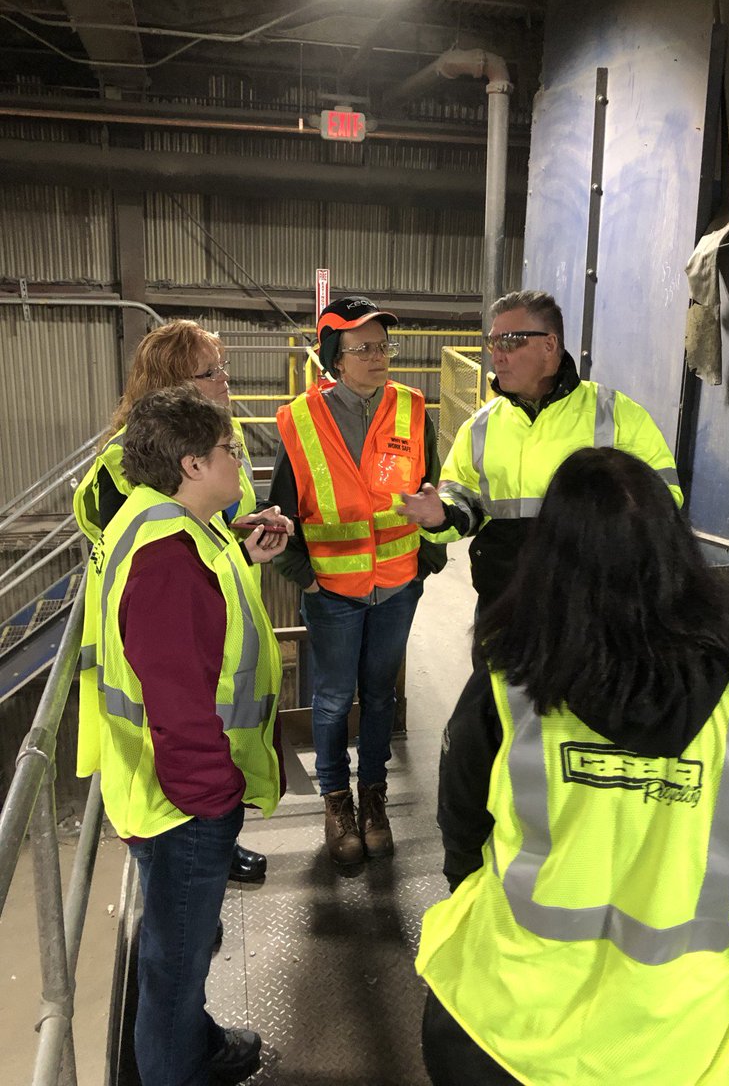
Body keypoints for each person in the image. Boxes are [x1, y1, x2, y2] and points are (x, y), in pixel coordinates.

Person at [415, 447, 729, 1086]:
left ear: (546, 564)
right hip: (690, 1044)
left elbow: (461, 837)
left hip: (503, 1028)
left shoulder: (507, 687)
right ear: (678, 555)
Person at [76, 386, 288, 1086]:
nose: (240, 461)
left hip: (155, 784)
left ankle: (194, 1043)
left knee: (178, 949)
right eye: (230, 449)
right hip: (183, 800)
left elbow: (191, 617)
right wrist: (214, 799)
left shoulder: (157, 519)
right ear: (193, 465)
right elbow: (178, 694)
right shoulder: (168, 556)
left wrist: (241, 553)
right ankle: (178, 1067)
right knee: (177, 960)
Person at [73, 318, 290, 885]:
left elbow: (195, 536)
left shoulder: (200, 443)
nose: (225, 380)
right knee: (177, 820)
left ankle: (211, 845)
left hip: (197, 647)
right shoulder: (133, 461)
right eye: (210, 371)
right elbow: (164, 569)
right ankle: (198, 852)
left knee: (201, 770)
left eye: (223, 368)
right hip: (158, 691)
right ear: (172, 383)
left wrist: (239, 541)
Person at [268, 295, 446, 866]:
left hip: (396, 586)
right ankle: (336, 801)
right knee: (330, 699)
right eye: (363, 348)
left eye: (383, 346)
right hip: (332, 591)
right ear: (335, 359)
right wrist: (305, 577)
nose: (377, 357)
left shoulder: (413, 409)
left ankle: (373, 799)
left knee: (379, 695)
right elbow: (280, 514)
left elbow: (434, 490)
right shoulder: (299, 420)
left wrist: (427, 559)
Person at [399, 290, 683, 603]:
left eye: (510, 342)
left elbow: (663, 499)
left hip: (594, 604)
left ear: (549, 345)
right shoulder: (480, 427)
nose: (497, 356)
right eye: (493, 343)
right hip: (505, 602)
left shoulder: (617, 415)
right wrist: (442, 513)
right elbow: (463, 498)